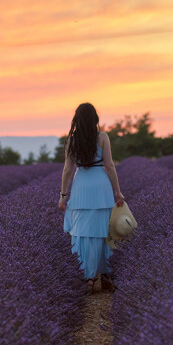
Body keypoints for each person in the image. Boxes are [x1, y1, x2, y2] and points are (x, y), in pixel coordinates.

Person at [59, 103, 125, 292]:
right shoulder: (102, 137)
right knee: (104, 232)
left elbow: (67, 170)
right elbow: (110, 166)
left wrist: (63, 195)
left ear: (76, 120)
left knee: (81, 233)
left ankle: (86, 276)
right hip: (101, 186)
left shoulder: (72, 140)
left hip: (81, 187)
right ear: (95, 118)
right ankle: (105, 275)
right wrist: (117, 191)